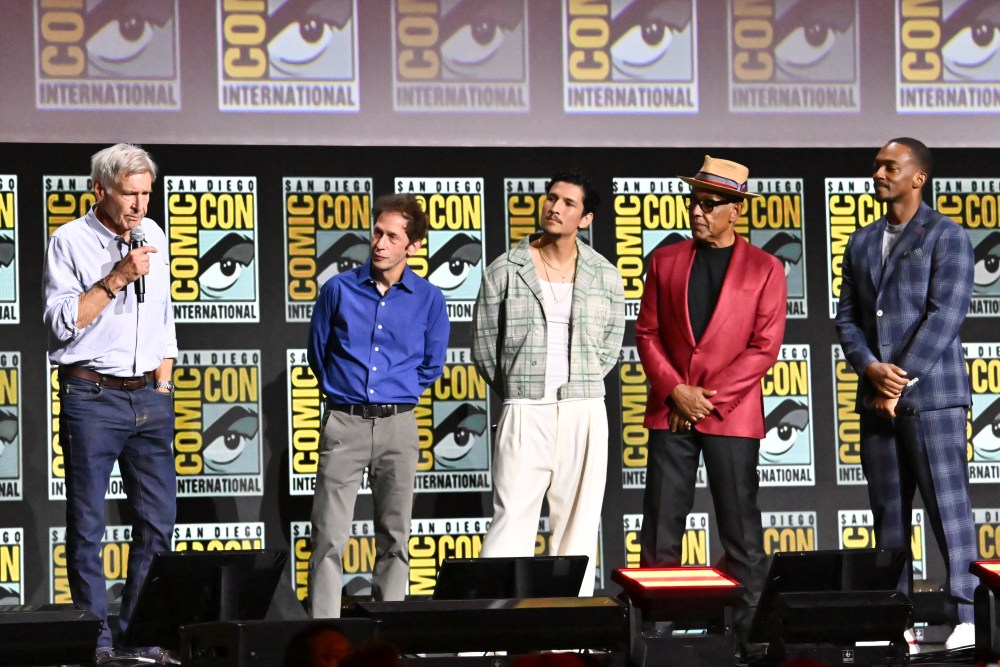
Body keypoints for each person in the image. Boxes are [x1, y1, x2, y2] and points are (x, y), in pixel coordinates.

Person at [635, 156, 786, 653]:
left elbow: (764, 347)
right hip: (670, 410)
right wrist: (675, 389)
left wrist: (701, 399)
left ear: (736, 210)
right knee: (660, 530)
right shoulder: (664, 260)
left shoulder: (766, 268)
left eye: (709, 204)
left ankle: (749, 639)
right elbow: (648, 333)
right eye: (693, 202)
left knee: (742, 534)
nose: (697, 212)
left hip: (730, 413)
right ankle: (655, 634)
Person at [835, 137, 977, 651]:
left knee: (949, 508)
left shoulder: (948, 236)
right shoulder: (861, 240)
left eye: (890, 166)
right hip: (876, 399)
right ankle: (894, 619)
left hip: (933, 398)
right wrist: (872, 370)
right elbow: (847, 317)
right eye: (876, 165)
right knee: (887, 517)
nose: (878, 173)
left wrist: (900, 377)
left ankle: (968, 613)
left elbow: (947, 314)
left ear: (918, 177)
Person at [43, 143, 178, 666]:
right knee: (88, 525)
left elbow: (164, 318)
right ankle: (95, 640)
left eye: (147, 193)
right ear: (100, 190)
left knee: (158, 523)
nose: (140, 204)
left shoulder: (155, 237)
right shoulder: (70, 241)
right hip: (92, 396)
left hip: (149, 396)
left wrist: (162, 386)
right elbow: (59, 321)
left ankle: (137, 634)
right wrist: (117, 277)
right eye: (129, 193)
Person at [472, 170, 625, 596]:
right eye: (551, 198)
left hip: (585, 409)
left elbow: (609, 348)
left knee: (577, 531)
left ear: (587, 218)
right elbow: (485, 348)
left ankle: (566, 636)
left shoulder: (606, 275)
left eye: (568, 203)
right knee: (511, 522)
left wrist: (581, 383)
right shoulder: (505, 269)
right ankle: (489, 639)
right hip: (525, 408)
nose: (555, 207)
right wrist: (521, 389)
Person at [307, 194, 449, 617]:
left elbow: (431, 364)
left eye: (392, 236)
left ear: (414, 245)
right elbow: (319, 353)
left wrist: (396, 393)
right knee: (329, 537)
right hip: (344, 421)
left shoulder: (429, 298)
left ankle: (387, 635)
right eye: (377, 232)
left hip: (398, 427)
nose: (380, 243)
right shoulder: (338, 289)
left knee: (395, 537)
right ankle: (324, 635)